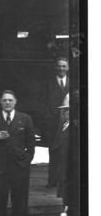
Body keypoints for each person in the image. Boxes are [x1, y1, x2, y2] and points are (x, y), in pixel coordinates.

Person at [42, 56, 70, 187]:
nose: (61, 68)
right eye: (59, 66)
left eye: (64, 66)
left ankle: (65, 182)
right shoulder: (47, 83)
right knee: (53, 152)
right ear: (55, 67)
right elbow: (43, 104)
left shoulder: (73, 83)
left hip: (68, 124)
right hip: (52, 124)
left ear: (68, 68)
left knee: (67, 153)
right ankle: (52, 181)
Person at [51, 94, 70, 205]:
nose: (65, 113)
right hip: (63, 167)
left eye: (68, 110)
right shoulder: (64, 126)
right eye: (64, 111)